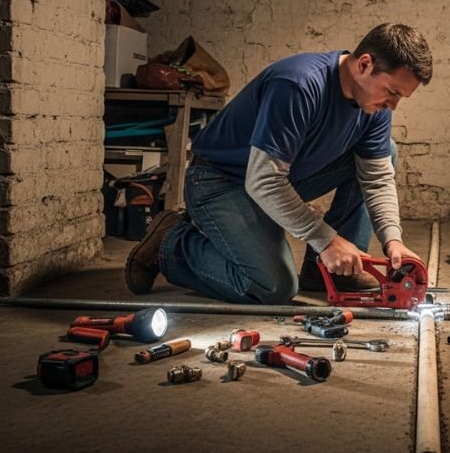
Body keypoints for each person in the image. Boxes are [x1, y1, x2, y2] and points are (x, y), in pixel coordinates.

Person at [124, 23, 433, 304]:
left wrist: (393, 241)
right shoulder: (298, 85)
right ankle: (171, 243)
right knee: (274, 287)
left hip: (279, 178)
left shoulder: (375, 108)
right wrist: (326, 239)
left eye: (400, 98)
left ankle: (328, 271)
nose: (392, 106)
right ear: (364, 64)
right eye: (391, 92)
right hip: (221, 181)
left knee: (384, 152)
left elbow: (377, 179)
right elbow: (264, 181)